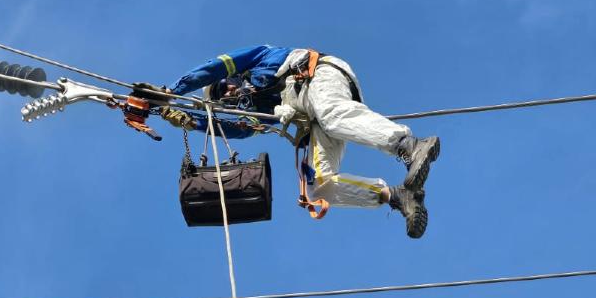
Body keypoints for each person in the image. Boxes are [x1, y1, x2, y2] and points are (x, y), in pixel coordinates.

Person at [161, 45, 440, 238]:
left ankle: (408, 145)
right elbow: (240, 129)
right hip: (314, 114)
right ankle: (398, 196)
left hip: (318, 75)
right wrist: (192, 121)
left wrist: (173, 92)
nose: (227, 93)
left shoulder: (258, 57)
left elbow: (213, 68)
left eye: (224, 87)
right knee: (318, 189)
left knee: (331, 117)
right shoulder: (262, 108)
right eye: (222, 98)